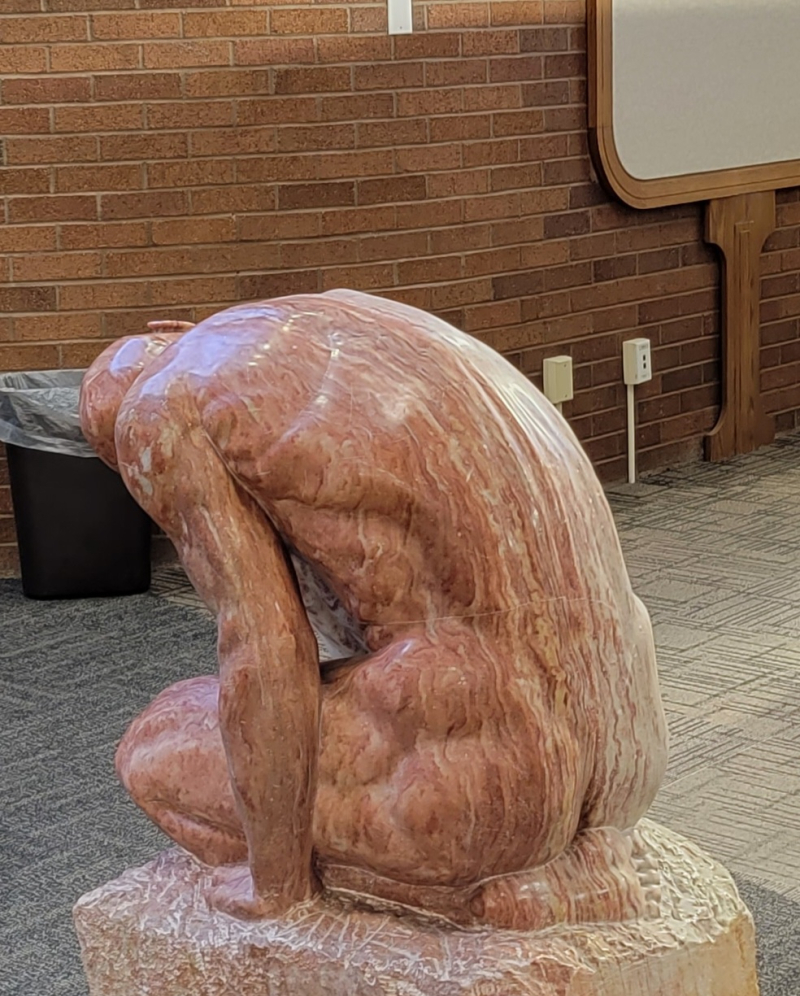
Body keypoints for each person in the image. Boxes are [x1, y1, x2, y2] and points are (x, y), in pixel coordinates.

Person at [80, 291, 668, 927]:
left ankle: (446, 897)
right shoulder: (329, 326)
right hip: (626, 749)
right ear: (170, 331)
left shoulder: (156, 410)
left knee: (153, 746)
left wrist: (273, 883)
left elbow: (267, 654)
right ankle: (577, 859)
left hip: (475, 795)